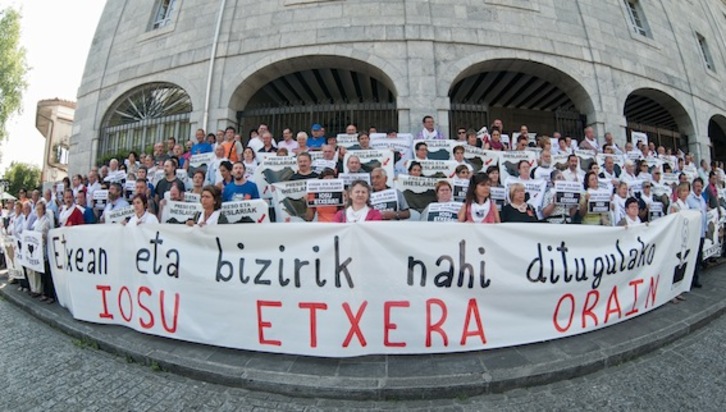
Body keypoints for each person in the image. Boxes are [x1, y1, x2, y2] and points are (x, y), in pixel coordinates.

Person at [27, 202, 51, 300]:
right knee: (35, 270)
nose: (38, 211)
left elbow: (45, 234)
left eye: (40, 209)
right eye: (37, 209)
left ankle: (46, 293)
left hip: (43, 248)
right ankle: (36, 289)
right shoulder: (36, 221)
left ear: (44, 210)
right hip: (35, 249)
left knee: (44, 273)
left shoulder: (46, 221)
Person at [687, 177, 707, 289]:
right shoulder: (690, 199)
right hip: (694, 233)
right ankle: (689, 280)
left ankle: (696, 279)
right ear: (693, 187)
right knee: (692, 257)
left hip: (701, 232)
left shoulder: (702, 199)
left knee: (698, 257)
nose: (699, 188)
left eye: (700, 186)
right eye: (697, 186)